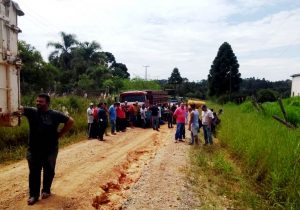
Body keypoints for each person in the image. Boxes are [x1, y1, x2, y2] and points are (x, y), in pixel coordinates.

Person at [19, 93, 74, 205]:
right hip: (33, 149)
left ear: (47, 103)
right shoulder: (32, 112)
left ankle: (46, 190)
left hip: (50, 149)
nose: (38, 103)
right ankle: (33, 195)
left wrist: (61, 133)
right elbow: (19, 109)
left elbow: (70, 121)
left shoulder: (55, 114)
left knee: (49, 171)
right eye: (37, 101)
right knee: (34, 172)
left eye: (41, 101)